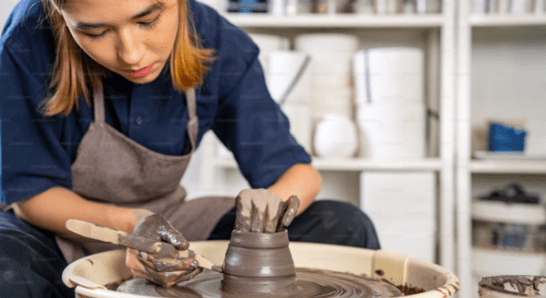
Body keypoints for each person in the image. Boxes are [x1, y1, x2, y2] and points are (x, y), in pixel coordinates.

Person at [0, 0, 380, 296]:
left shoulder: (217, 42)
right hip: (56, 228)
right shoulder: (28, 39)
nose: (131, 54)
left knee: (344, 227)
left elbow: (298, 174)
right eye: (95, 32)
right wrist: (130, 225)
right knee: (5, 268)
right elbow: (31, 196)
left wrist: (259, 228)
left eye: (147, 20)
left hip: (168, 224)